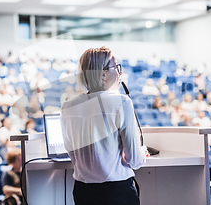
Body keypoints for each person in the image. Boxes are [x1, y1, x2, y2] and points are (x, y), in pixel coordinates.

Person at [60, 47, 147, 205]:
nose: (120, 73)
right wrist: (143, 152)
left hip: (83, 192)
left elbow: (71, 152)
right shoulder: (121, 103)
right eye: (116, 67)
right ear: (103, 73)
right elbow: (134, 159)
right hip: (117, 192)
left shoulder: (67, 107)